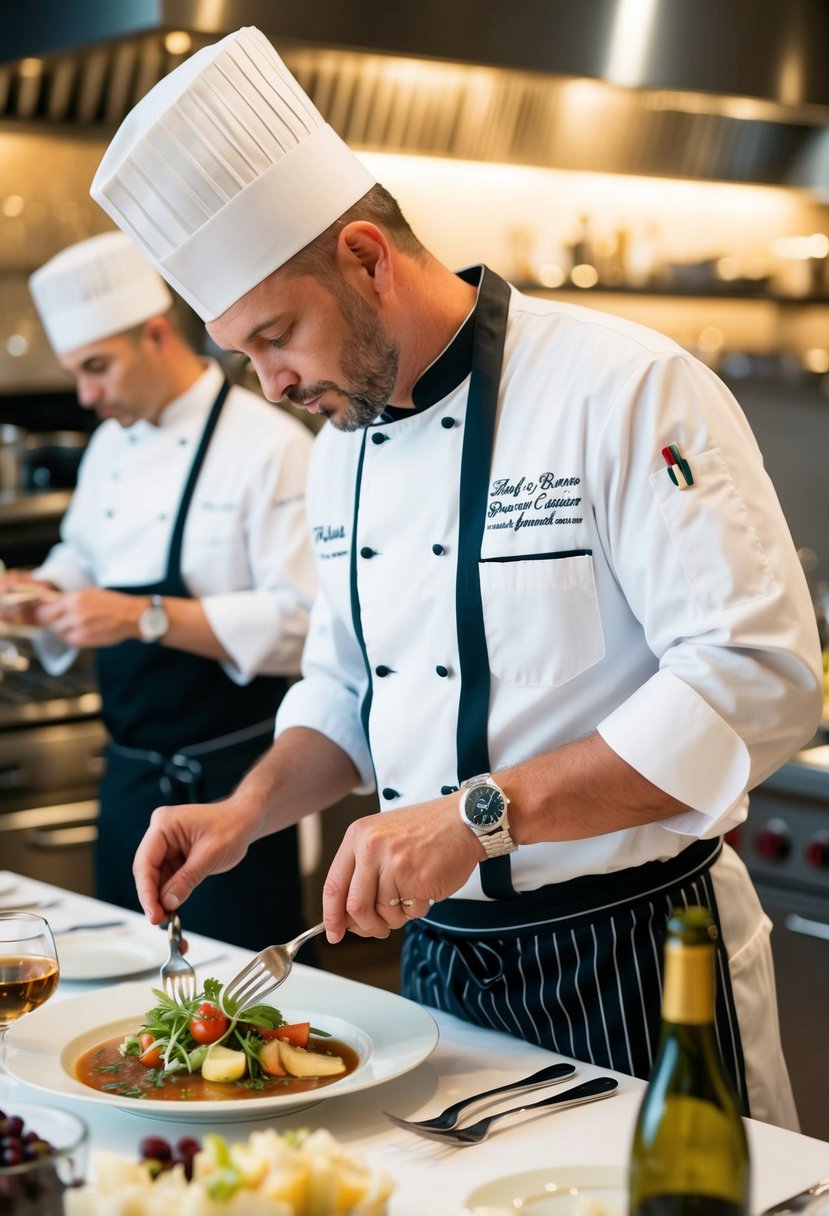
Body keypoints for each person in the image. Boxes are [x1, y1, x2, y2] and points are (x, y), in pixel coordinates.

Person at [90, 26, 822, 1127]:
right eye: (244, 354)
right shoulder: (341, 445)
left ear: (366, 255)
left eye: (277, 336)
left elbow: (755, 680)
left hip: (634, 956)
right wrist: (244, 811)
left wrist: (478, 815)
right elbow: (347, 692)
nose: (272, 383)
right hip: (440, 978)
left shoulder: (620, 387)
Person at [0, 230, 317, 950]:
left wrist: (145, 617)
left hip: (233, 795)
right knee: (130, 1002)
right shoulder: (112, 443)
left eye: (98, 368)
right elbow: (83, 554)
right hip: (128, 786)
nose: (87, 395)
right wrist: (38, 591)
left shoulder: (270, 447)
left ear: (155, 336)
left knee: (237, 1015)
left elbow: (303, 624)